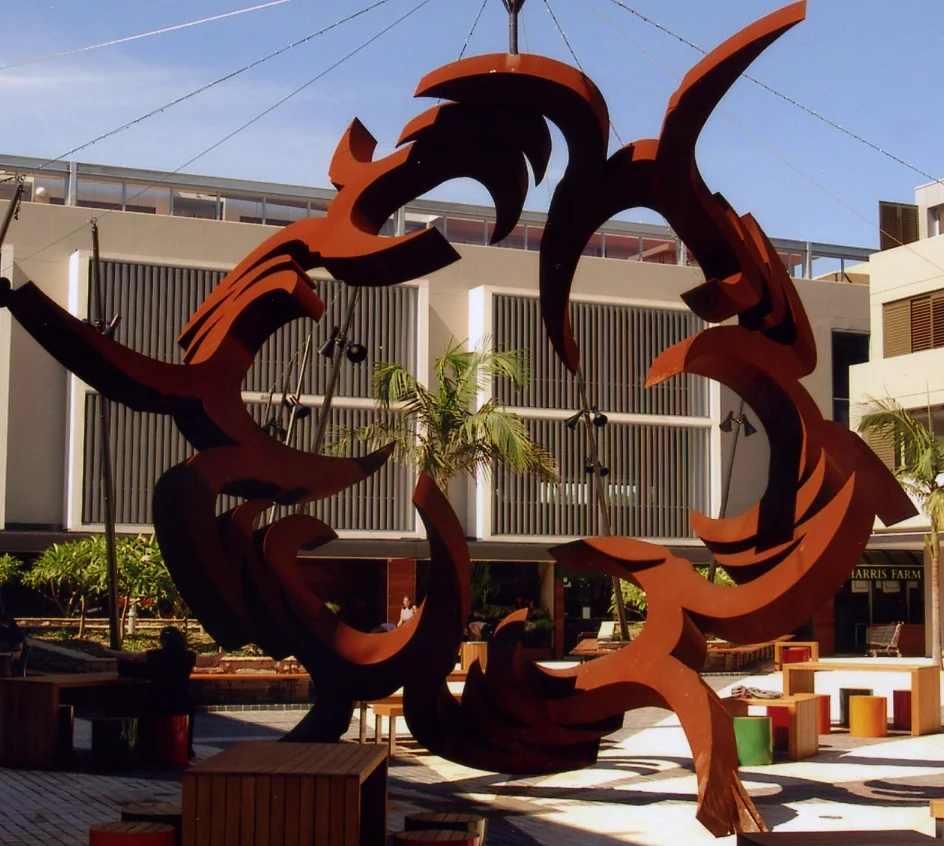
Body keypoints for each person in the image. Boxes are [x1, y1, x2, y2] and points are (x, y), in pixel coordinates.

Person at [103, 626, 197, 759]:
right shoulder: (188, 656)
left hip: (158, 700)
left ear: (163, 641)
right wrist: (224, 651)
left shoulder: (155, 655)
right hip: (182, 700)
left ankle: (145, 748)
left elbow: (131, 656)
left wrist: (107, 651)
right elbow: (210, 660)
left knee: (134, 707)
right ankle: (186, 749)